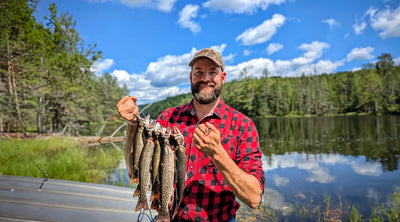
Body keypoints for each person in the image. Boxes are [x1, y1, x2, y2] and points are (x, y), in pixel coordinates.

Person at [117, 48, 265, 222]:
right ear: (191, 77)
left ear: (223, 78)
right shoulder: (168, 117)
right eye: (199, 72)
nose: (205, 78)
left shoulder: (242, 125)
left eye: (212, 72)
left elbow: (254, 198)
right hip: (168, 217)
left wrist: (218, 153)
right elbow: (135, 169)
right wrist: (133, 125)